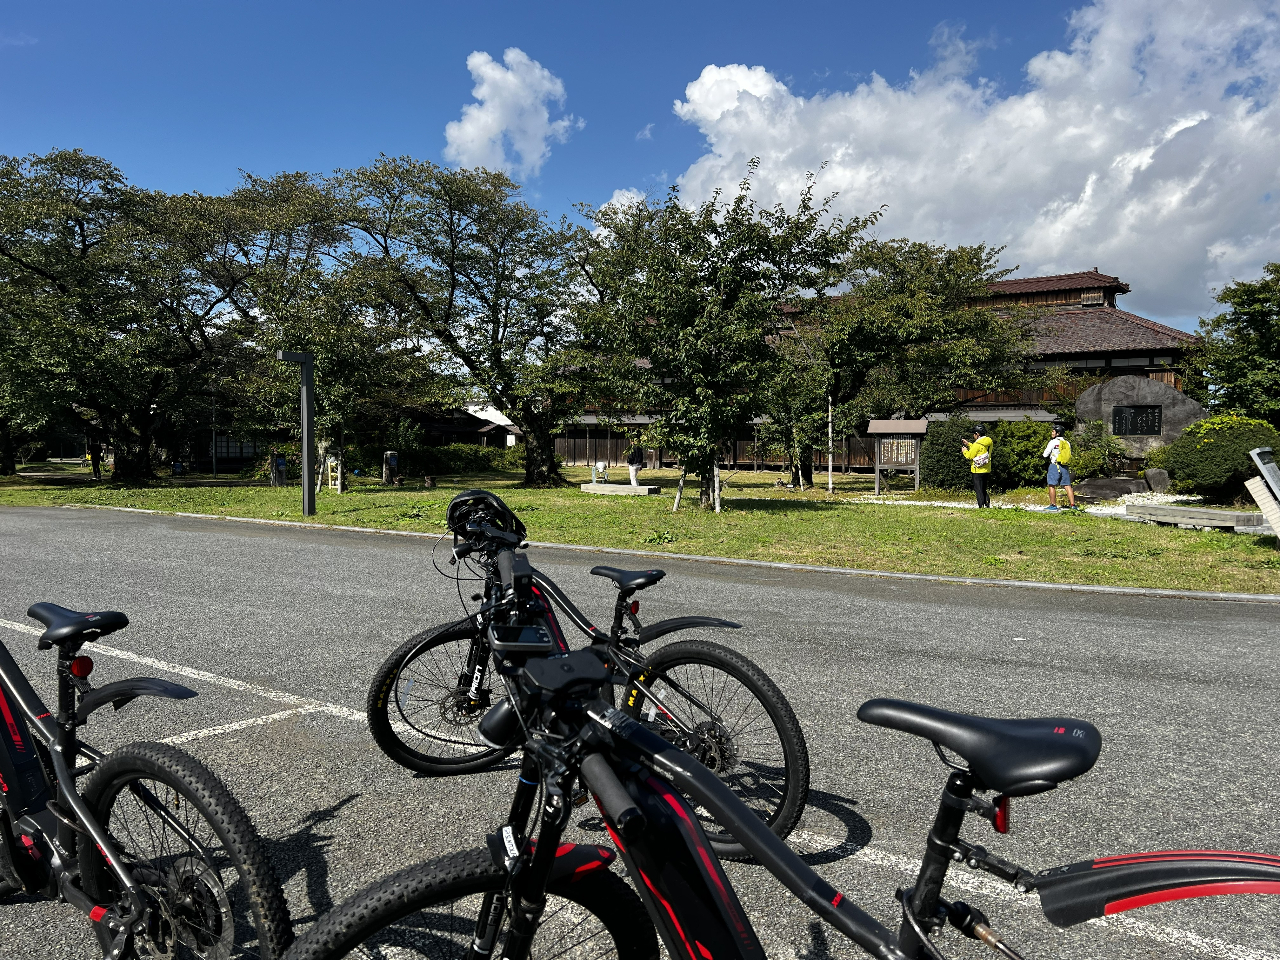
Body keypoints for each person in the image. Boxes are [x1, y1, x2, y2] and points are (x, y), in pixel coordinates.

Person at [1042, 424, 1076, 511]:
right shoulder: (1067, 443)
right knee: (1067, 485)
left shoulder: (1052, 442)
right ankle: (1073, 505)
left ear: (1058, 433)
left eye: (1053, 431)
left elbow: (1045, 454)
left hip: (1054, 465)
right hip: (1064, 466)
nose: (1052, 433)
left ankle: (1053, 505)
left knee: (1051, 485)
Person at [961, 425, 993, 508]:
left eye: (974, 434)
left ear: (977, 434)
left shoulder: (977, 444)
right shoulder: (989, 442)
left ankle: (981, 506)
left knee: (978, 489)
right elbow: (980, 450)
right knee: (983, 488)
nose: (973, 436)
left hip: (977, 470)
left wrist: (965, 451)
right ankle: (987, 504)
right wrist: (969, 444)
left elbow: (970, 456)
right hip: (986, 469)